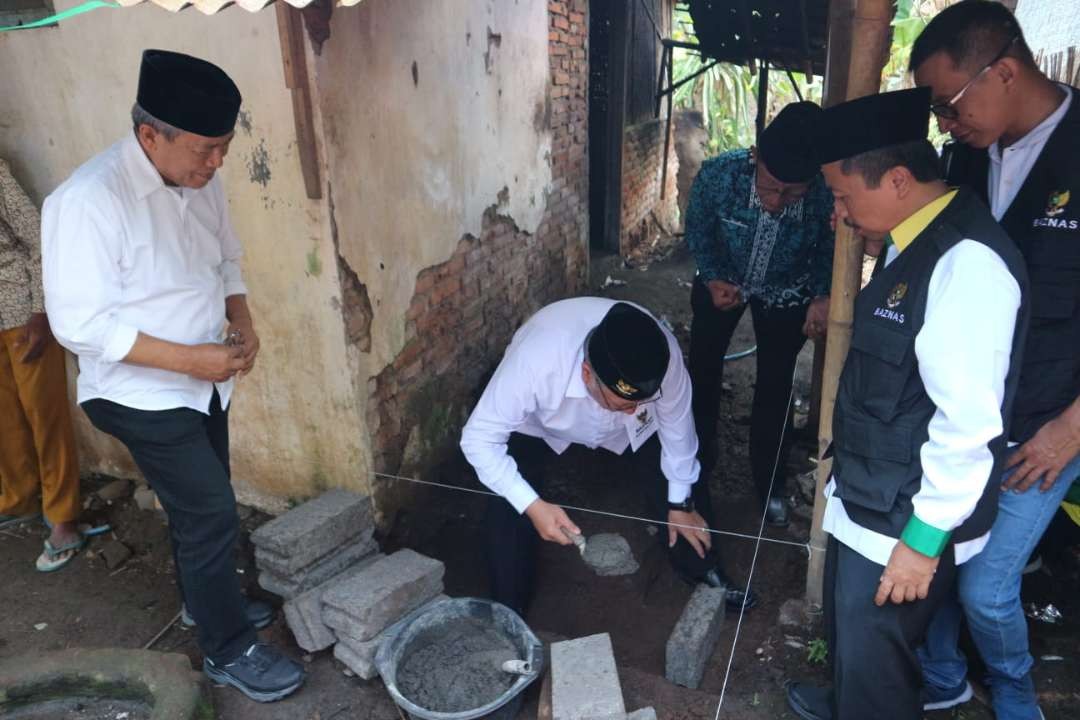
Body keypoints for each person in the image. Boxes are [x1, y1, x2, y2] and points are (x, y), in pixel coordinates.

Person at [41, 50, 303, 702]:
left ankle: (204, 604)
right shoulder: (86, 201)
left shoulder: (197, 181)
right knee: (212, 511)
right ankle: (227, 648)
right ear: (150, 134)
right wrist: (192, 359)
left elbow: (226, 262)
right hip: (138, 394)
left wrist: (242, 321)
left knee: (201, 508)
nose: (217, 164)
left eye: (224, 148)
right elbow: (80, 325)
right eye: (207, 149)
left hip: (206, 381)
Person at [784, 87, 1029, 720]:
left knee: (880, 669)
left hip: (905, 517)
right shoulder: (906, 239)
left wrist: (922, 542)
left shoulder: (966, 263)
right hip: (869, 491)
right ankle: (845, 697)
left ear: (896, 179)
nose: (837, 214)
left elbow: (969, 424)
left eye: (843, 196)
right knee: (851, 637)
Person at [910, 3, 1080, 717]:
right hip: (971, 415)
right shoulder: (971, 157)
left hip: (1048, 425)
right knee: (944, 555)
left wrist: (1074, 428)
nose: (947, 125)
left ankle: (1014, 690)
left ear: (1003, 71)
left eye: (950, 105)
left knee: (986, 584)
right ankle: (944, 678)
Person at [460, 298, 757, 617]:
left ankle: (704, 569)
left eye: (639, 402)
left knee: (680, 488)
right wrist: (532, 504)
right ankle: (509, 607)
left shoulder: (661, 357)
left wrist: (680, 503)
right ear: (587, 373)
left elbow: (678, 432)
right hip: (539, 423)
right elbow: (478, 439)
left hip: (627, 432)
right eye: (621, 404)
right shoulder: (534, 363)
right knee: (509, 497)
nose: (633, 410)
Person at [685, 101, 834, 527]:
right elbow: (698, 228)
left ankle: (770, 483)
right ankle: (695, 464)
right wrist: (712, 277)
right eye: (771, 187)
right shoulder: (720, 175)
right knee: (703, 367)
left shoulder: (825, 193)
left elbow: (830, 249)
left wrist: (821, 295)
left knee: (776, 382)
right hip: (723, 277)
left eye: (793, 193)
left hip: (786, 289)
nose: (777, 202)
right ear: (756, 157)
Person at [0, 157, 82, 572]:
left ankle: (63, 516)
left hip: (20, 316)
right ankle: (18, 499)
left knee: (44, 418)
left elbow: (37, 240)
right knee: (5, 422)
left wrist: (40, 313)